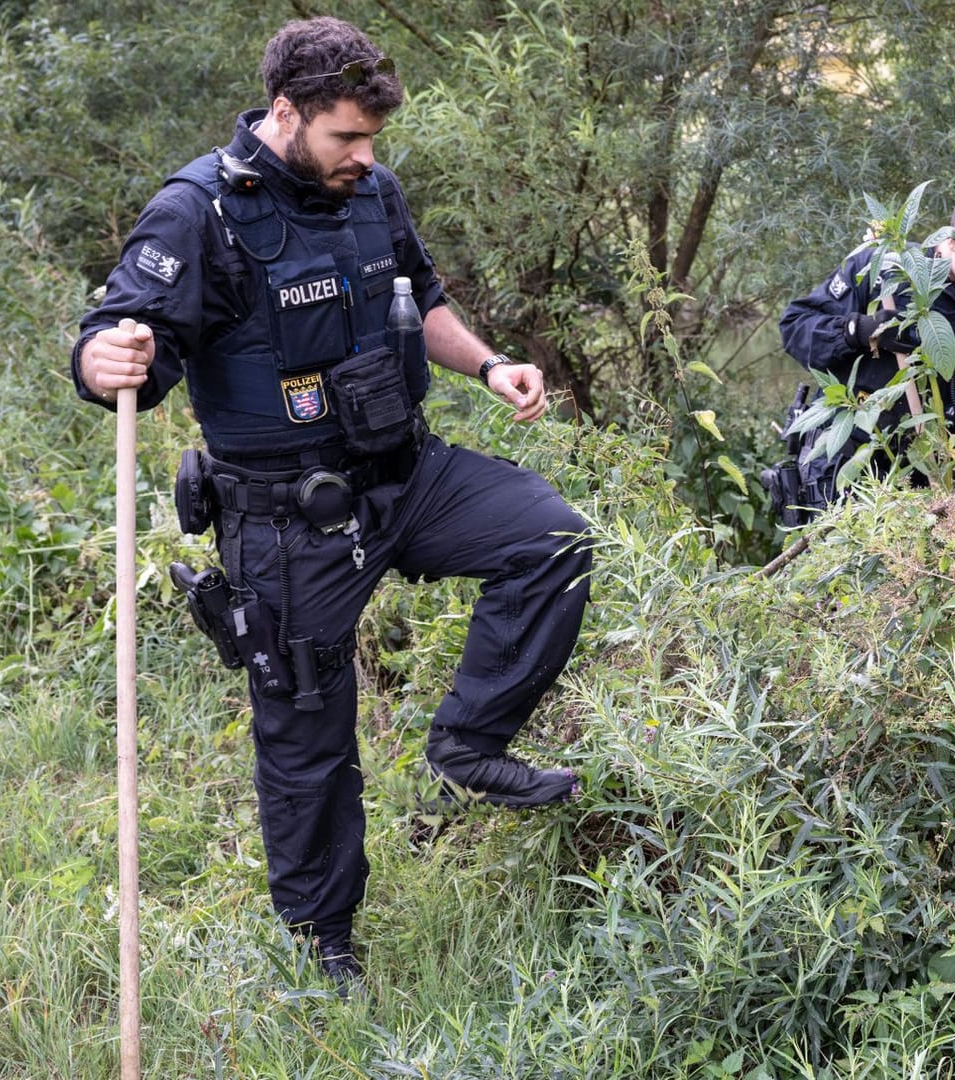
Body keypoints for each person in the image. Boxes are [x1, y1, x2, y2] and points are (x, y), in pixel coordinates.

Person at [71, 17, 591, 989]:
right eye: (346, 136)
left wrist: (491, 366)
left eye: (372, 139)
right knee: (309, 738)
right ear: (285, 112)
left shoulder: (374, 192)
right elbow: (115, 344)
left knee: (551, 541)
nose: (363, 156)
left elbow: (423, 300)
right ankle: (323, 944)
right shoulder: (201, 215)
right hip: (283, 519)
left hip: (404, 474)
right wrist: (103, 361)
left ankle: (469, 746)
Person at [770, 186, 955, 521]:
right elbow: (795, 328)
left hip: (927, 492)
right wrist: (858, 331)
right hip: (844, 472)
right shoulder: (882, 270)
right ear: (952, 241)